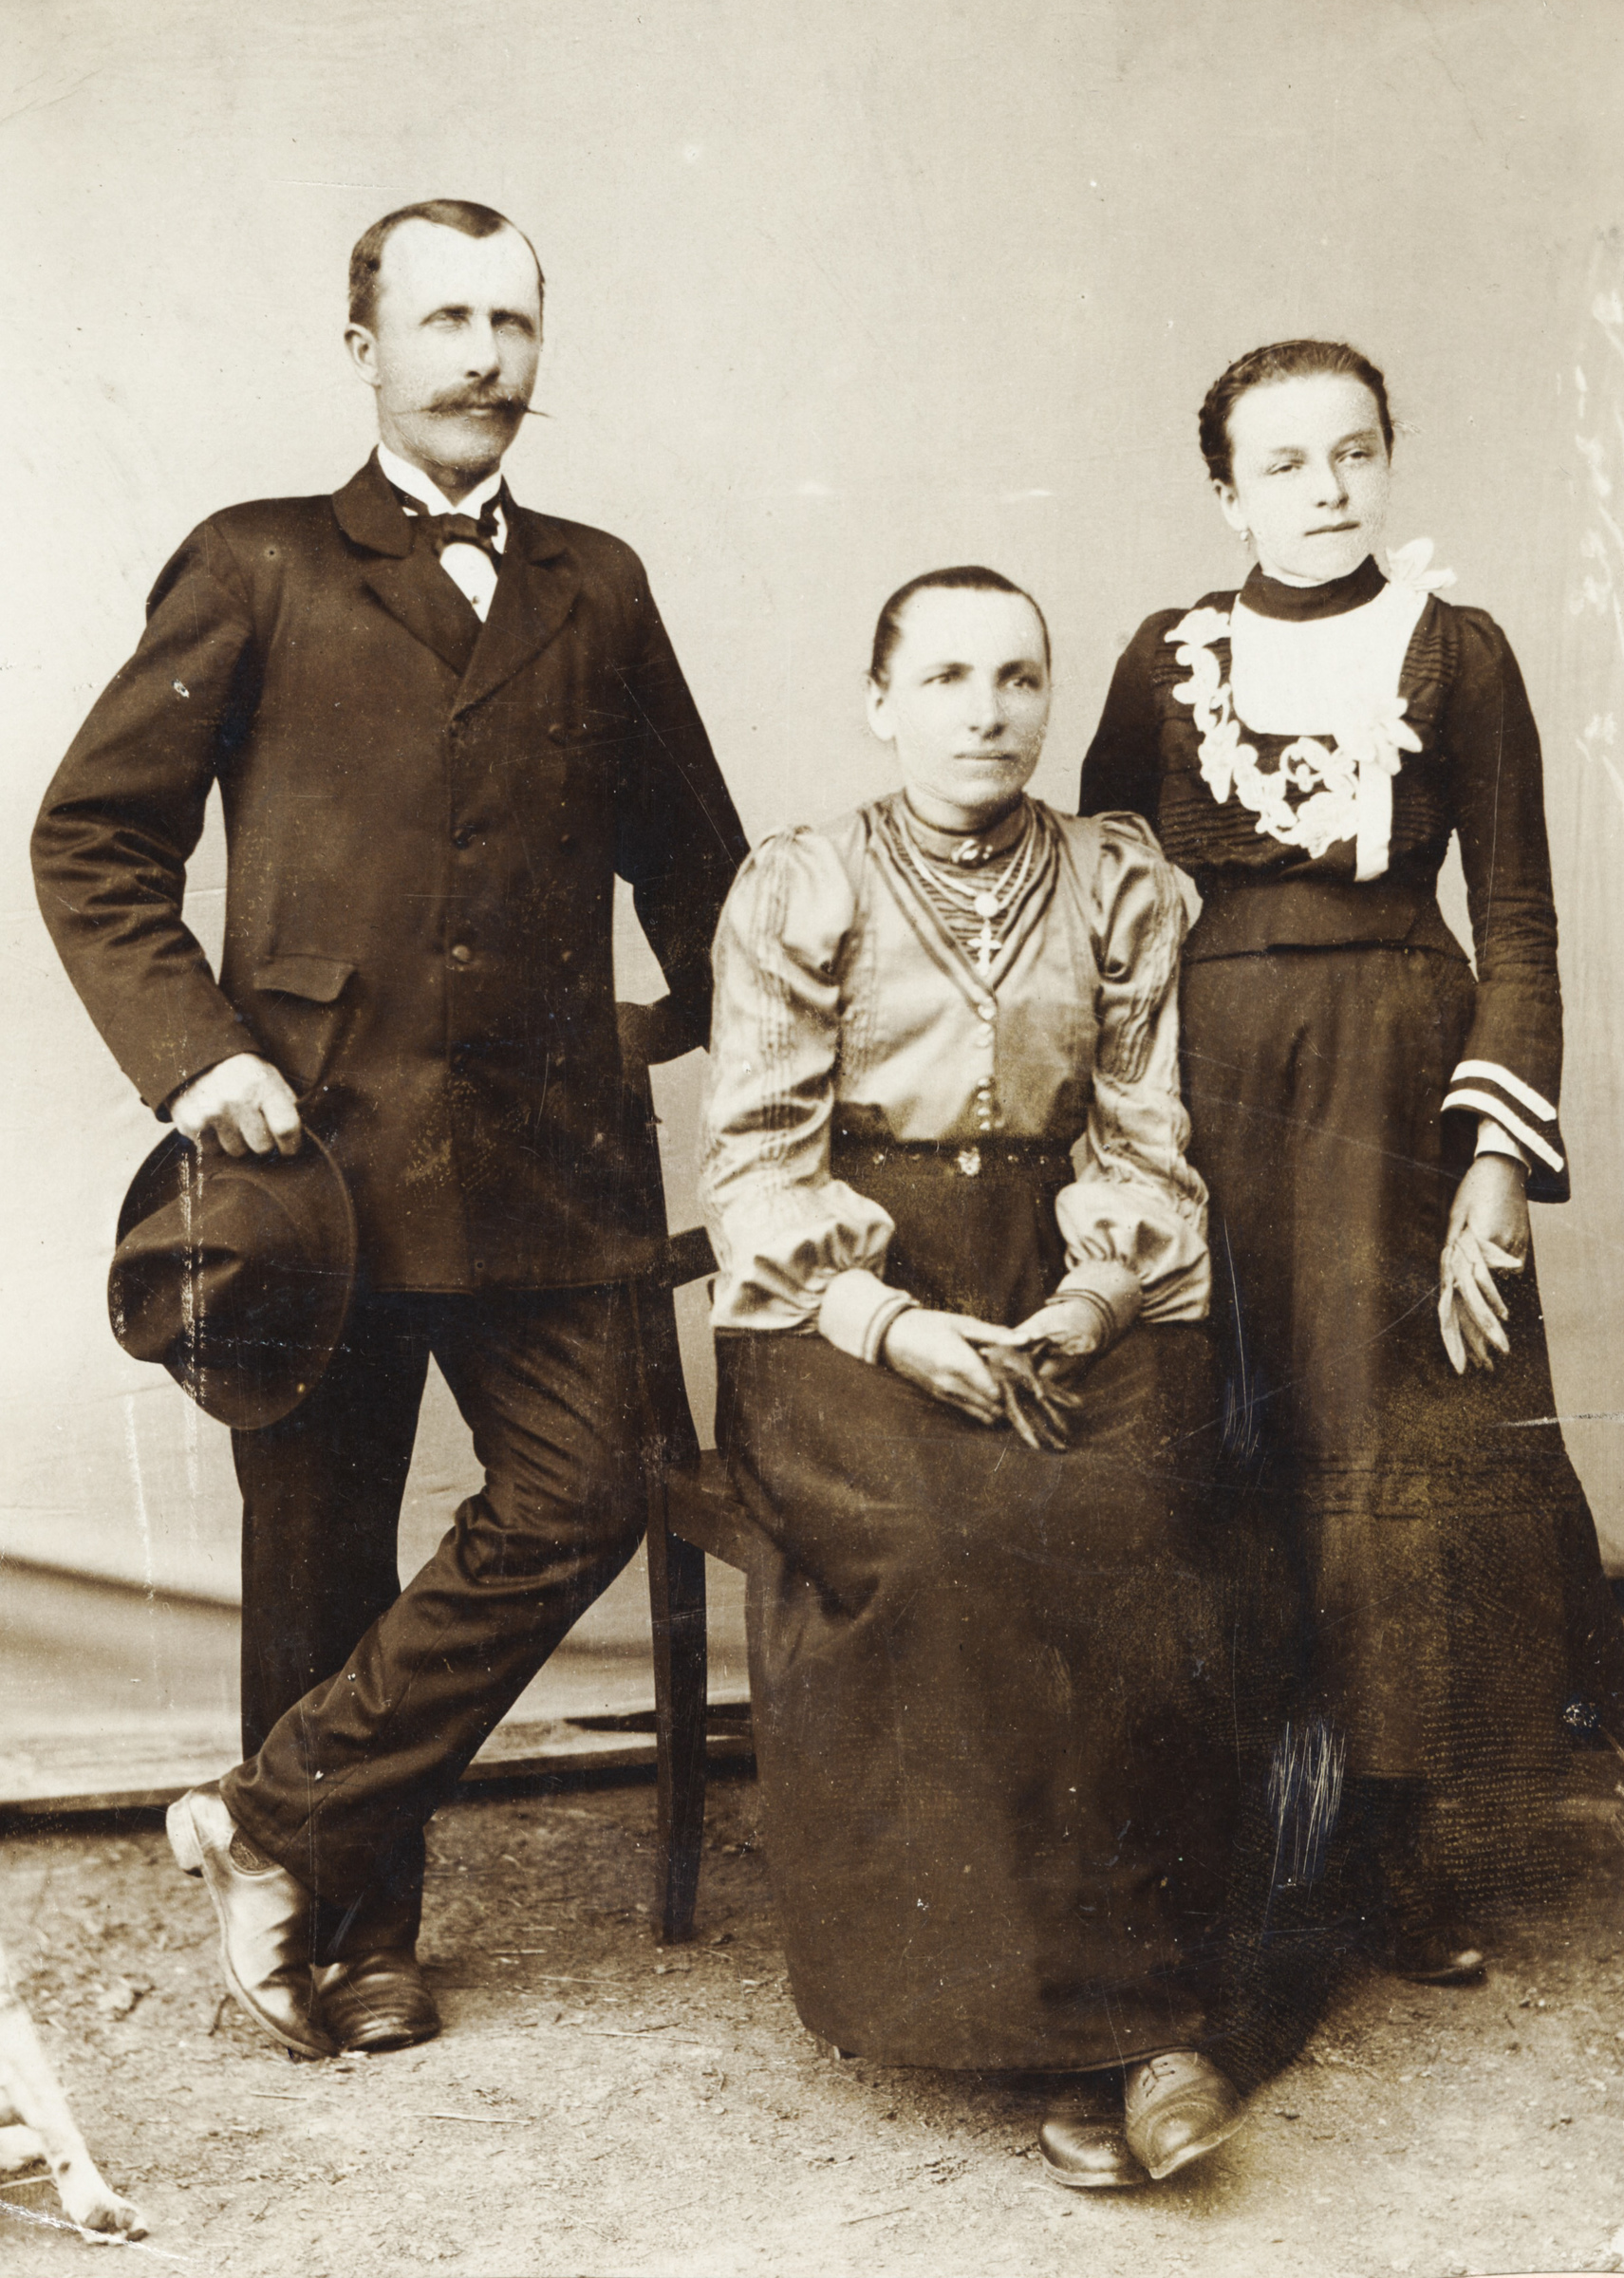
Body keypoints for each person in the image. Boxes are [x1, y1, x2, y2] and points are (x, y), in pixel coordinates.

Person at [32, 197, 747, 2059]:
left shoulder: (599, 583)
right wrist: (195, 1060)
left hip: (549, 1164)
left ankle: (269, 1822)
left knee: (587, 1491)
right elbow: (91, 838)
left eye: (513, 322)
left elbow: (704, 873)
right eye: (445, 320)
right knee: (317, 1554)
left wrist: (702, 1042)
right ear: (364, 349)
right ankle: (349, 1936)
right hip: (310, 1166)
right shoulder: (258, 561)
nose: (484, 357)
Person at [1079, 338, 1624, 1983]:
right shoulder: (1166, 659)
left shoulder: (1458, 651)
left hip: (1398, 1086)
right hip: (1206, 1081)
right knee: (1221, 1434)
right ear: (1226, 493)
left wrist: (1495, 1161)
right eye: (1285, 464)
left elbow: (1516, 917)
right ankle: (1241, 1847)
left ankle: (1406, 1857)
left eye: (1354, 453)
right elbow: (1100, 898)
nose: (1326, 491)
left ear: (1386, 462)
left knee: (1402, 1454)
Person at [700, 566, 1247, 2189]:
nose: (986, 713)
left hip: (1055, 1269)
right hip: (836, 1300)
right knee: (955, 1544)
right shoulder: (802, 886)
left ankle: (1138, 2018)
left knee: (1130, 1519)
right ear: (880, 702)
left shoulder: (1116, 880)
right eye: (944, 679)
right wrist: (890, 1325)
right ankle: (1090, 2045)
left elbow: (1142, 1129)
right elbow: (757, 1164)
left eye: (1016, 679)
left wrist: (1094, 1298)